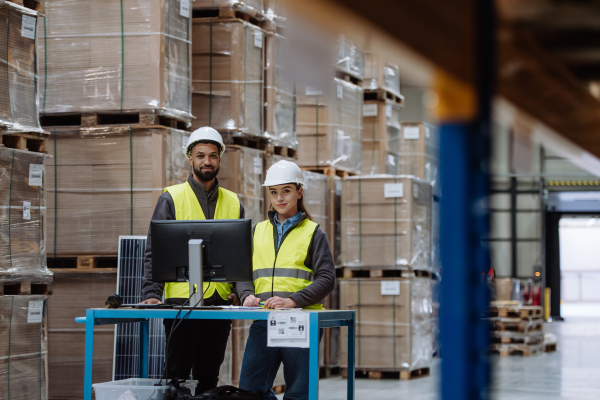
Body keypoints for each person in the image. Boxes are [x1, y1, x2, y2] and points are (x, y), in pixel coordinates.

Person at [140, 127, 244, 392]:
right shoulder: (171, 198)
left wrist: (237, 289)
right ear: (190, 159)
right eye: (200, 156)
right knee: (176, 377)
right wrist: (152, 292)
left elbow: (241, 250)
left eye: (212, 156)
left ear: (219, 159)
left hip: (218, 303)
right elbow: (155, 249)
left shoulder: (233, 202)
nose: (206, 161)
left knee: (209, 377)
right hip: (181, 303)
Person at [237, 160, 336, 400]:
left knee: (299, 393)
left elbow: (327, 278)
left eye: (286, 191)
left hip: (299, 322)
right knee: (249, 391)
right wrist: (245, 294)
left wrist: (293, 301)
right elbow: (242, 273)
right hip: (263, 320)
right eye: (274, 192)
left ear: (299, 192)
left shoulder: (313, 232)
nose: (279, 198)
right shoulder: (257, 230)